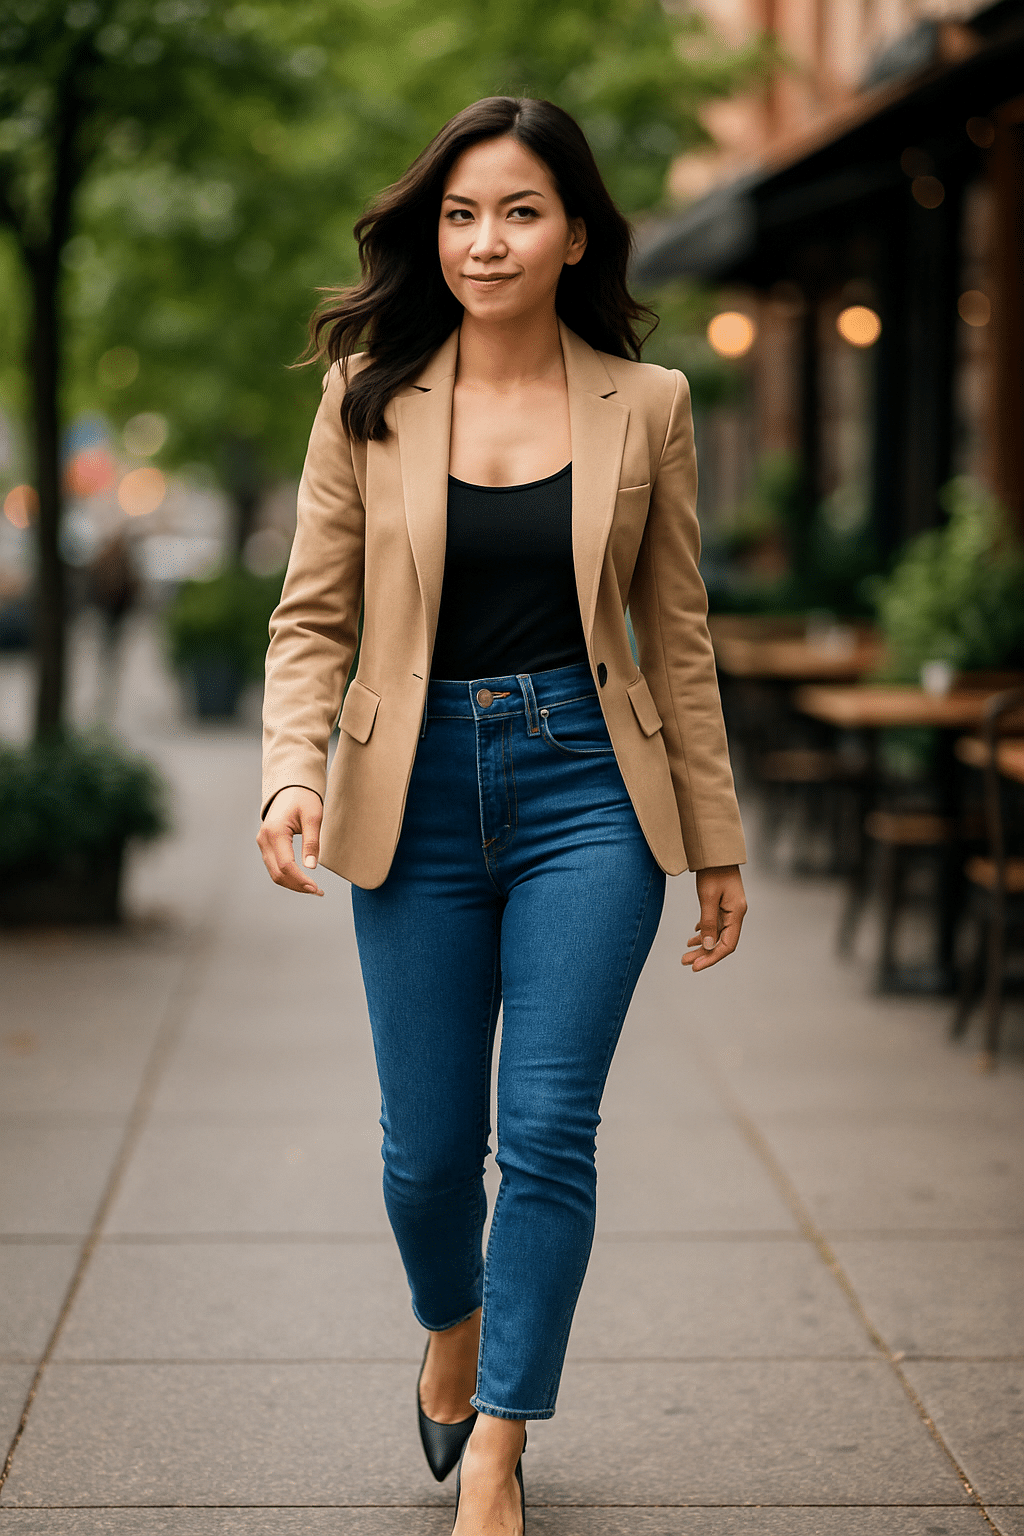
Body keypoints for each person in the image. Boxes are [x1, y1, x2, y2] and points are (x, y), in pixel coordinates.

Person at [258, 96, 747, 1536]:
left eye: (521, 211)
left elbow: (679, 635)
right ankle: (453, 1326)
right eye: (462, 214)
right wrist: (292, 769)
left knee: (545, 1134)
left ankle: (499, 1447)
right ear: (434, 233)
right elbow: (312, 616)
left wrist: (715, 841)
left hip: (588, 788)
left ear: (574, 234)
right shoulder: (366, 396)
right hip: (407, 795)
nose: (486, 241)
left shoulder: (647, 404)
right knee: (424, 1157)